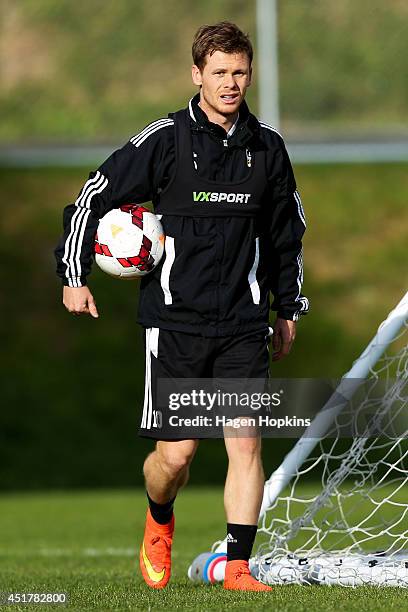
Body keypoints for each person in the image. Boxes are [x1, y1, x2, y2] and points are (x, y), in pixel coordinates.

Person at [55, 21, 308, 591]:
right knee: (176, 457)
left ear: (250, 73)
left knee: (244, 443)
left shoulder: (267, 147)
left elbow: (286, 231)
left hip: (243, 324)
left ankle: (238, 567)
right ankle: (160, 517)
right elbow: (91, 199)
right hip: (175, 325)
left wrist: (287, 306)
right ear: (197, 75)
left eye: (240, 72)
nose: (230, 83)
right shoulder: (164, 140)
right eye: (218, 72)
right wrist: (74, 275)